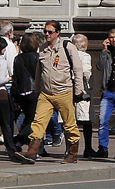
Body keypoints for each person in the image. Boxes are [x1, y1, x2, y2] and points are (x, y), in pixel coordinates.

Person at [13, 21, 84, 164]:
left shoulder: (67, 47)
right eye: (45, 31)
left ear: (58, 33)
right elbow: (40, 71)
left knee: (69, 124)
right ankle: (32, 152)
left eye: (50, 32)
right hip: (46, 93)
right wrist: (38, 90)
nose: (47, 34)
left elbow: (77, 70)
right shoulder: (43, 48)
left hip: (64, 91)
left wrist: (78, 90)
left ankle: (72, 153)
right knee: (38, 122)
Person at [93, 27, 115, 159]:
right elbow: (100, 67)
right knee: (102, 122)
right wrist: (104, 51)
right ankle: (103, 149)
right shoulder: (106, 53)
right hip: (107, 92)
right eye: (111, 37)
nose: (113, 40)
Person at [10, 34, 38, 154]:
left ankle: (22, 143)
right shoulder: (38, 57)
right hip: (34, 92)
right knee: (34, 121)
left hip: (22, 93)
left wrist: (16, 96)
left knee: (28, 119)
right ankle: (18, 140)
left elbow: (15, 79)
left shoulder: (18, 58)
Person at [70, 34, 94, 158]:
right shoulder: (85, 56)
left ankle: (70, 149)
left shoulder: (68, 55)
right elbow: (86, 72)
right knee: (86, 120)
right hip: (83, 90)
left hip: (68, 88)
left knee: (69, 120)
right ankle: (88, 148)